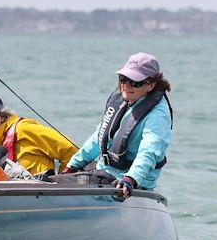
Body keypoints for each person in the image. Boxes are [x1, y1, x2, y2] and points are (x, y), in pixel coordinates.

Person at [53, 52, 173, 200]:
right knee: (49, 176)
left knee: (53, 184)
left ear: (151, 85)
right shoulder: (125, 101)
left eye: (136, 82)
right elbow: (98, 138)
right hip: (103, 173)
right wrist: (72, 166)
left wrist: (130, 179)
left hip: (124, 185)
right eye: (124, 79)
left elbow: (149, 152)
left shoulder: (158, 116)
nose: (127, 86)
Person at [0, 93, 77, 176]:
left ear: (1, 116)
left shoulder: (23, 128)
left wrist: (62, 182)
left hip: (41, 196)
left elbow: (70, 151)